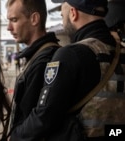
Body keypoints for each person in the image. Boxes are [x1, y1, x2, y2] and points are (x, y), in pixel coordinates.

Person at [8, 0, 119, 140]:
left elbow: (44, 118)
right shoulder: (119, 50)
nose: (62, 21)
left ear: (73, 13)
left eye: (62, 16)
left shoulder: (71, 55)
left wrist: (14, 137)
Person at [6, 0, 60, 140]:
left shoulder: (44, 59)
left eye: (14, 20)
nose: (9, 28)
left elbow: (38, 119)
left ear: (34, 19)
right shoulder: (38, 55)